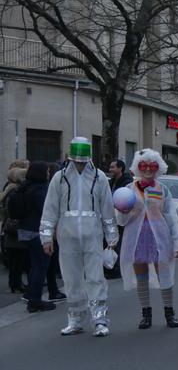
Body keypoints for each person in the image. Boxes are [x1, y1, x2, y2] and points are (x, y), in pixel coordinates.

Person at [40, 137, 118, 336]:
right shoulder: (59, 178)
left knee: (95, 278)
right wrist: (46, 237)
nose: (80, 165)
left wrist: (111, 238)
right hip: (67, 235)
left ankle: (99, 320)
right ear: (70, 158)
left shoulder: (100, 177)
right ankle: (75, 319)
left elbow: (107, 209)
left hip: (92, 234)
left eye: (83, 161)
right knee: (71, 278)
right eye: (77, 161)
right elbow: (50, 209)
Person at [116, 149, 178, 329]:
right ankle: (146, 314)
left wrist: (177, 241)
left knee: (164, 275)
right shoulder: (128, 190)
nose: (147, 169)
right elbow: (121, 220)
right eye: (143, 166)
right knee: (141, 277)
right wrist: (123, 211)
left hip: (159, 238)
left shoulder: (162, 189)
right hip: (136, 238)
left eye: (152, 166)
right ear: (137, 167)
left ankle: (169, 313)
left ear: (158, 167)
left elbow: (171, 216)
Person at [18, 162, 65, 312]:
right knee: (41, 266)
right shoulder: (41, 190)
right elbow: (48, 212)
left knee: (35, 265)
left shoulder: (25, 187)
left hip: (25, 230)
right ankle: (35, 300)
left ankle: (31, 296)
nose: (48, 174)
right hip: (38, 231)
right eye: (47, 171)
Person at [1, 161, 29, 294]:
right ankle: (16, 283)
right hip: (15, 228)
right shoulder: (15, 190)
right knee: (17, 258)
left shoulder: (10, 188)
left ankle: (14, 283)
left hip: (10, 228)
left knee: (15, 259)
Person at [106, 159, 132, 279]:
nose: (110, 169)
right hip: (111, 217)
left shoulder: (127, 183)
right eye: (110, 167)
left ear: (120, 168)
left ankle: (116, 270)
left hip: (122, 219)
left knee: (118, 244)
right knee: (110, 243)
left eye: (113, 167)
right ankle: (109, 267)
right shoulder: (111, 182)